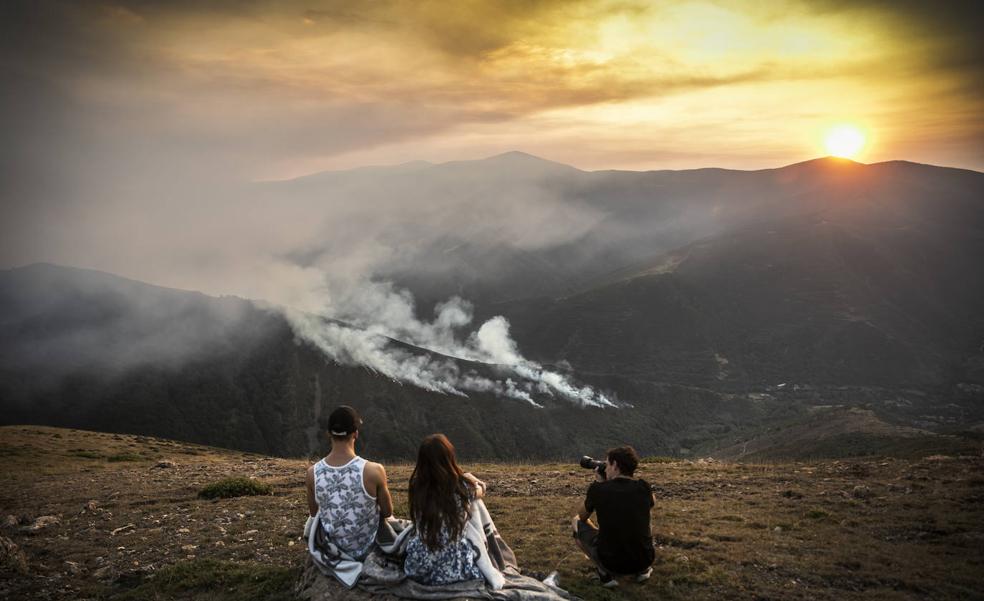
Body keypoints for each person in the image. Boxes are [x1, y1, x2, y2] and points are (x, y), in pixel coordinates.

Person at [306, 405, 393, 561]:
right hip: (368, 552)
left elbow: (314, 514)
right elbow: (387, 513)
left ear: (328, 434)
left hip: (333, 551)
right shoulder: (374, 470)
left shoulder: (312, 473)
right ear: (356, 433)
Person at [404, 433, 491, 585]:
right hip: (455, 569)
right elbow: (481, 490)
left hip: (419, 568)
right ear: (449, 457)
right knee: (475, 506)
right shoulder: (462, 487)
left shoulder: (417, 486)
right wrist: (470, 478)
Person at [573, 445, 655, 587]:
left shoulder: (598, 489)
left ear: (615, 465)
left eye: (607, 464)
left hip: (612, 563)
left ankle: (604, 574)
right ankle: (643, 570)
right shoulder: (643, 487)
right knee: (643, 517)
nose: (606, 468)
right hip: (645, 559)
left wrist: (600, 484)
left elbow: (582, 516)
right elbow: (651, 503)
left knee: (576, 522)